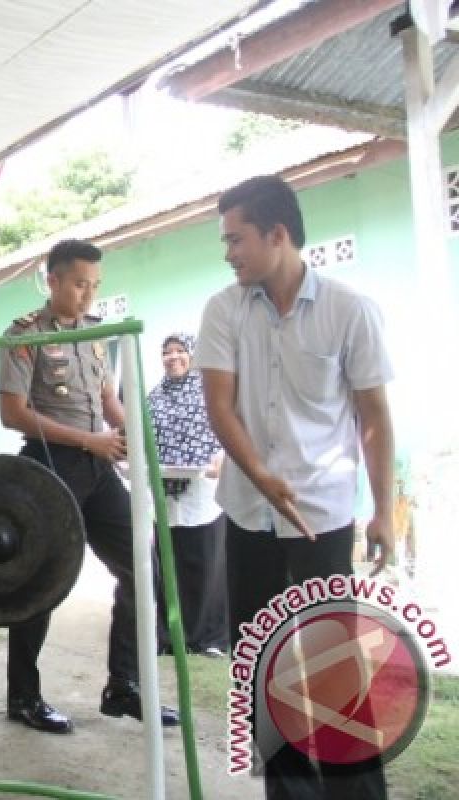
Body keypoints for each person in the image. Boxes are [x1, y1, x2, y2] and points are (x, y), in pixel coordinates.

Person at [197, 175, 393, 799]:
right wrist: (259, 475)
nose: (228, 254)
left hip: (324, 516)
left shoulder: (349, 309)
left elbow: (374, 419)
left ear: (278, 235)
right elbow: (220, 408)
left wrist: (384, 512)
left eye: (237, 239)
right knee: (257, 664)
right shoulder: (223, 309)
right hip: (250, 513)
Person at [0, 238, 178, 734]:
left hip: (97, 469)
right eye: (79, 284)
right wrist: (90, 439)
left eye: (95, 285)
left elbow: (106, 398)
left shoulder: (97, 333)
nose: (88, 295)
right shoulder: (24, 335)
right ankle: (23, 697)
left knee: (143, 565)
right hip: (49, 468)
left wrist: (131, 437)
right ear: (52, 280)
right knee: (42, 582)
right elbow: (11, 413)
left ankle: (124, 686)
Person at [148, 333, 228, 658]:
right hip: (165, 493)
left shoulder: (211, 392)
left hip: (202, 492)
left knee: (206, 563)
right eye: (167, 352)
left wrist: (221, 458)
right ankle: (170, 636)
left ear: (193, 355)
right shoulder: (154, 397)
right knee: (168, 564)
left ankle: (209, 638)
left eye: (180, 350)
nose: (173, 357)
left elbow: (226, 430)